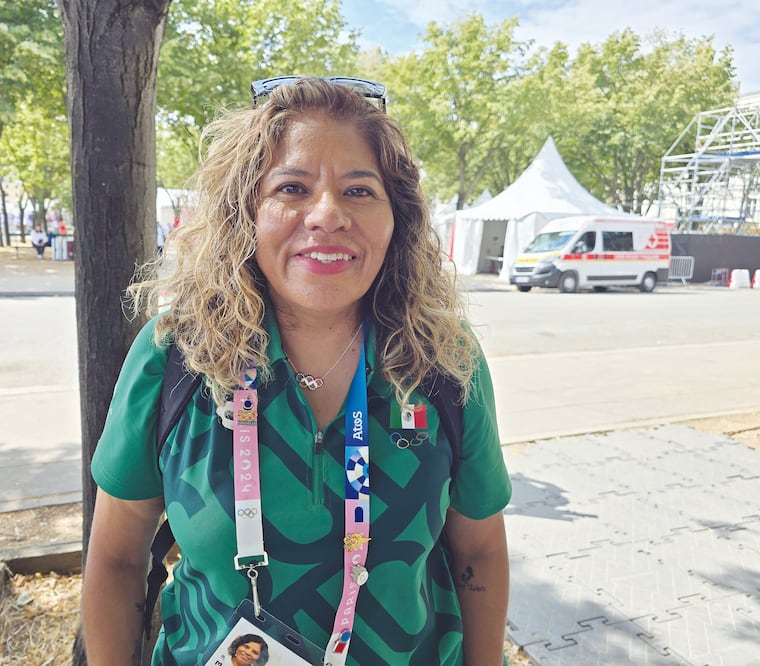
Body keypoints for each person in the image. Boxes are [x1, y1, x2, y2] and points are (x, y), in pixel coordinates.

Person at [82, 76, 511, 665]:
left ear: (397, 219)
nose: (328, 215)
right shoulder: (174, 357)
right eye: (292, 187)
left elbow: (480, 551)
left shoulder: (442, 361)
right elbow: (116, 558)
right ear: (245, 215)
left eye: (359, 190)